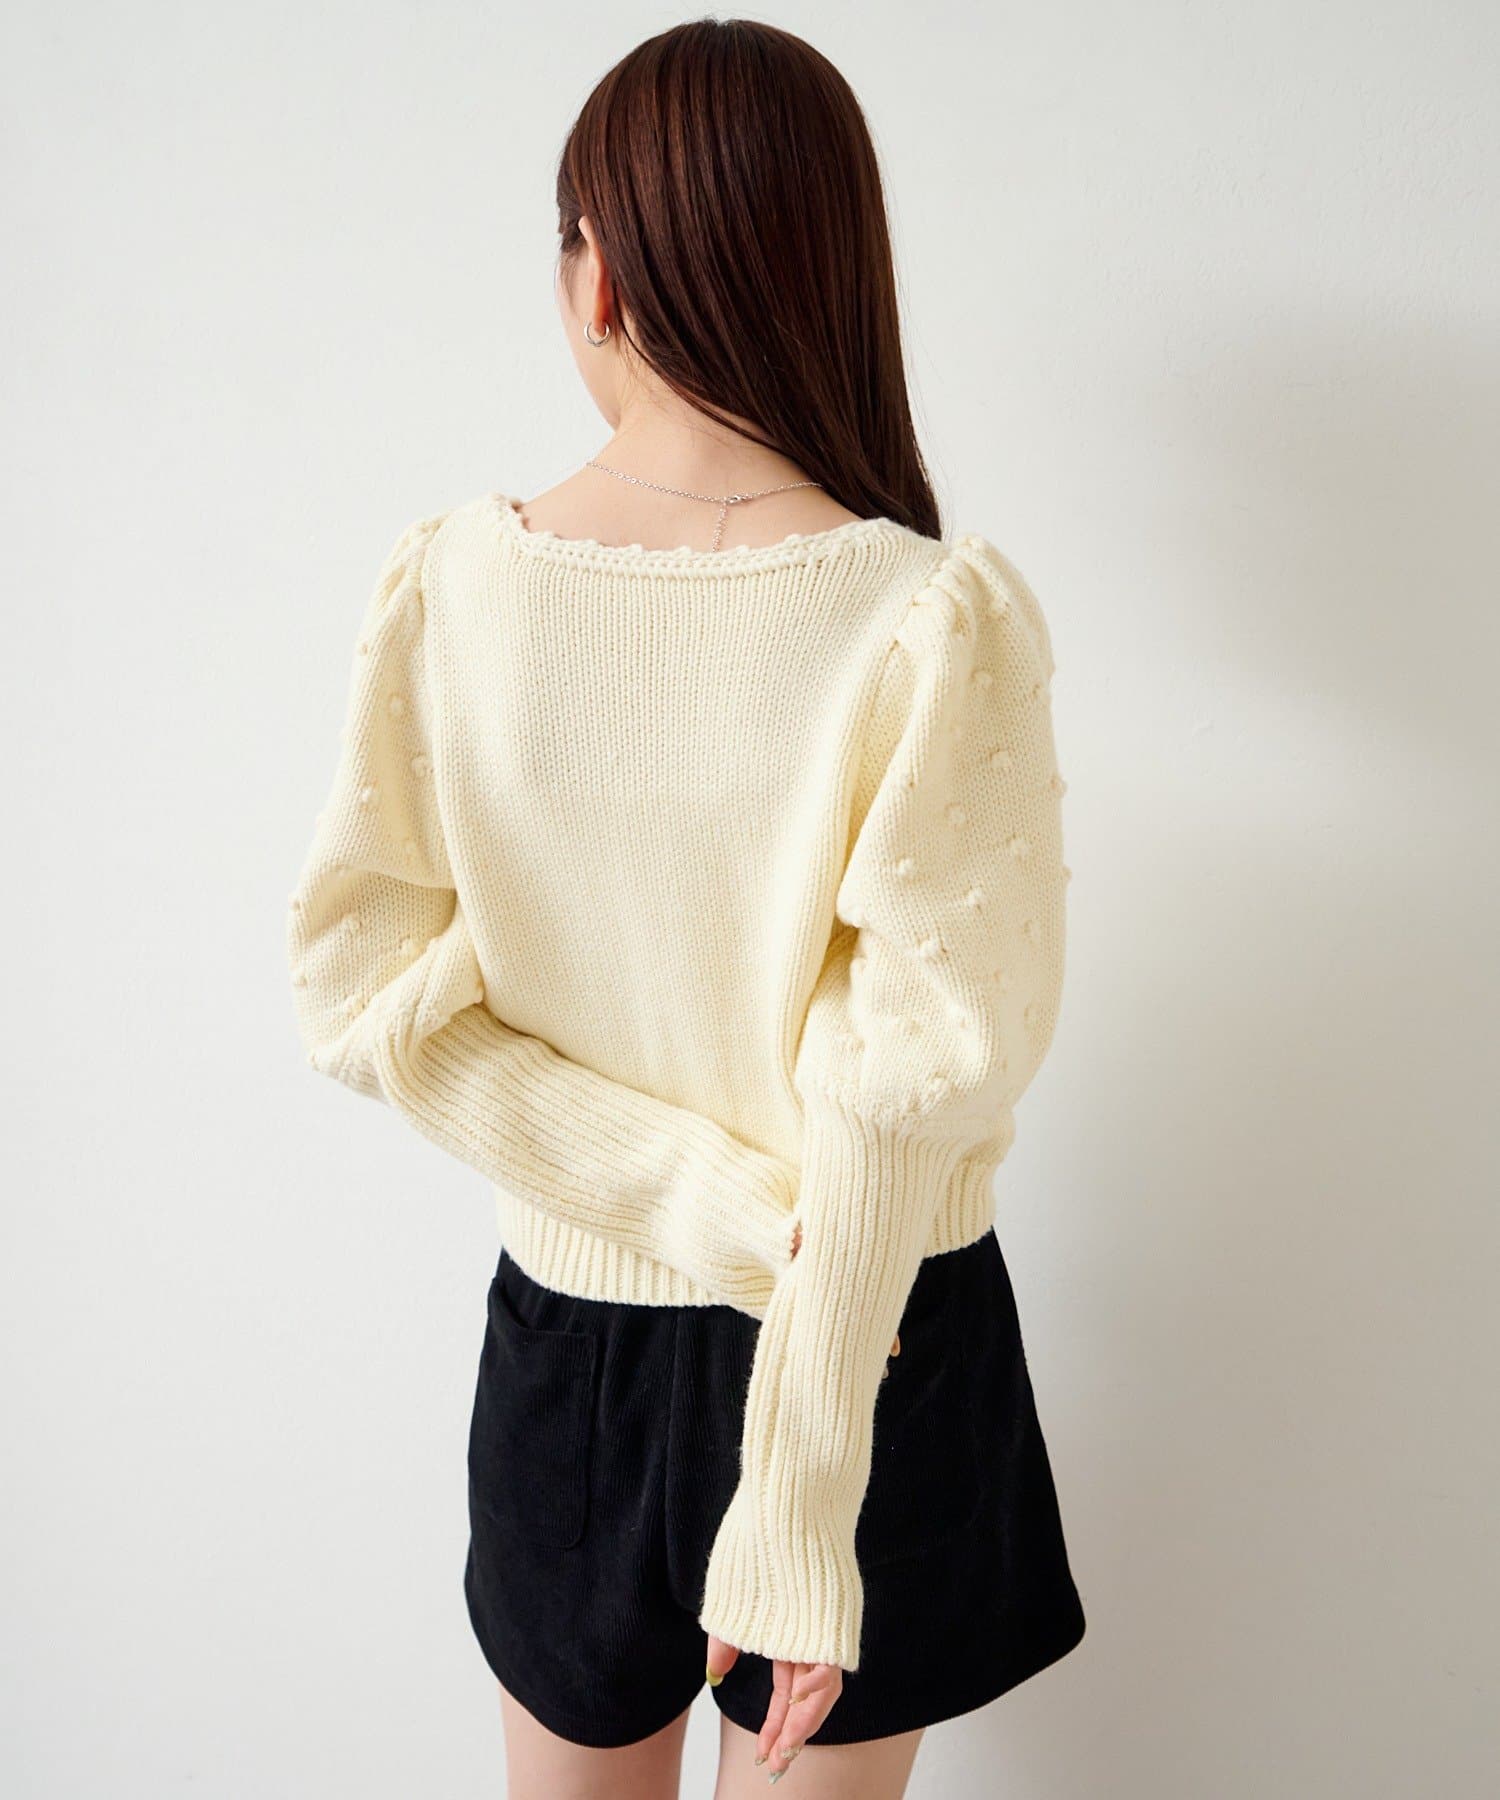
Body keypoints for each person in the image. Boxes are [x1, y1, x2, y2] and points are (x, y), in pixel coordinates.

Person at [285, 17, 1085, 1798]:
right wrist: (789, 1426)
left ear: (599, 276)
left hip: (582, 1354)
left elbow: (363, 992)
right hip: (871, 1343)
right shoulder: (932, 618)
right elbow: (903, 1082)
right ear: (834, 268)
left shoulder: (453, 593)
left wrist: (675, 1201)